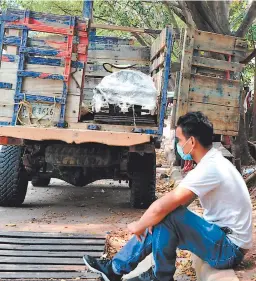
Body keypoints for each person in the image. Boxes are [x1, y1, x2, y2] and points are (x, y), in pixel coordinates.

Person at [83, 111, 253, 281]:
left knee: (166, 214)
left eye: (179, 140)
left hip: (228, 250)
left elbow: (164, 206)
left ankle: (157, 276)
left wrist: (141, 224)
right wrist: (154, 219)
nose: (178, 145)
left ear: (192, 142)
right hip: (223, 242)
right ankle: (117, 269)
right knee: (163, 215)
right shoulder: (214, 161)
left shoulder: (209, 168)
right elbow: (174, 204)